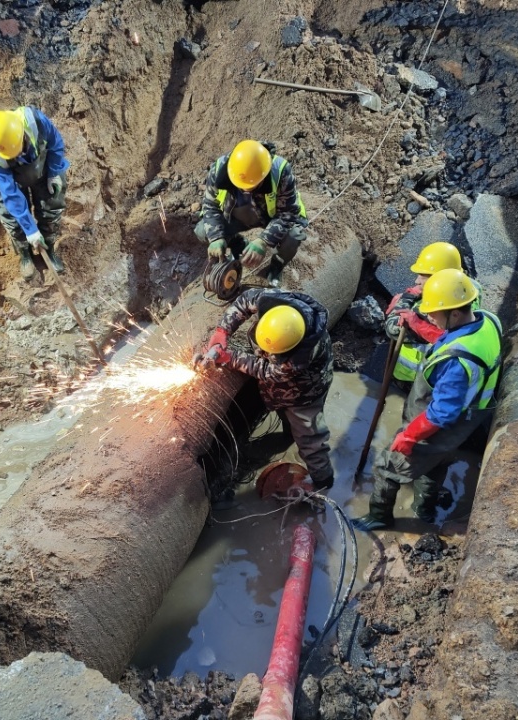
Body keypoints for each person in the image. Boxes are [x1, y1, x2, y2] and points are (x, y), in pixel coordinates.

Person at [354, 269, 502, 531]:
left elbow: (441, 414)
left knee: (387, 466)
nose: (430, 316)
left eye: (434, 313)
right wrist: (416, 323)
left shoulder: (458, 362)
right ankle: (425, 509)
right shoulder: (486, 321)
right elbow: (449, 339)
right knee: (437, 462)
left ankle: (379, 516)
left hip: (440, 422)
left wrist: (408, 437)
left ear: (454, 312)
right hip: (466, 418)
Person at [196, 288, 334, 490]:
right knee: (285, 420)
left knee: (309, 437)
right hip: (279, 384)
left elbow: (266, 370)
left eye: (269, 352)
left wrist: (230, 358)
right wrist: (222, 332)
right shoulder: (272, 302)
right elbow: (243, 301)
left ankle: (323, 480)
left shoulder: (299, 358)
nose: (261, 352)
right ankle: (287, 434)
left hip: (304, 394)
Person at [195, 140, 307, 287]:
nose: (246, 190)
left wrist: (263, 241)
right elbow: (210, 205)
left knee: (294, 236)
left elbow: (288, 213)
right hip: (237, 214)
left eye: (253, 185)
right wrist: (216, 238)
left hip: (271, 216)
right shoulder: (219, 170)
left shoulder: (280, 170)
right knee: (203, 230)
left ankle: (276, 266)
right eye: (242, 186)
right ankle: (238, 244)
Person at [0, 107, 70, 281]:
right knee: (10, 214)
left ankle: (49, 247)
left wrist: (54, 173)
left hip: (42, 168)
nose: (17, 154)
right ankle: (25, 254)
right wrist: (30, 231)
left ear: (22, 134)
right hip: (13, 180)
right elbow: (10, 194)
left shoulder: (36, 121)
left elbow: (56, 144)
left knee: (53, 203)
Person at [385, 242, 481, 386]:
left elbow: (392, 327)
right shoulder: (470, 289)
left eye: (423, 276)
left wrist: (406, 298)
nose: (416, 280)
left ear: (440, 279)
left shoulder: (436, 312)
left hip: (417, 379)